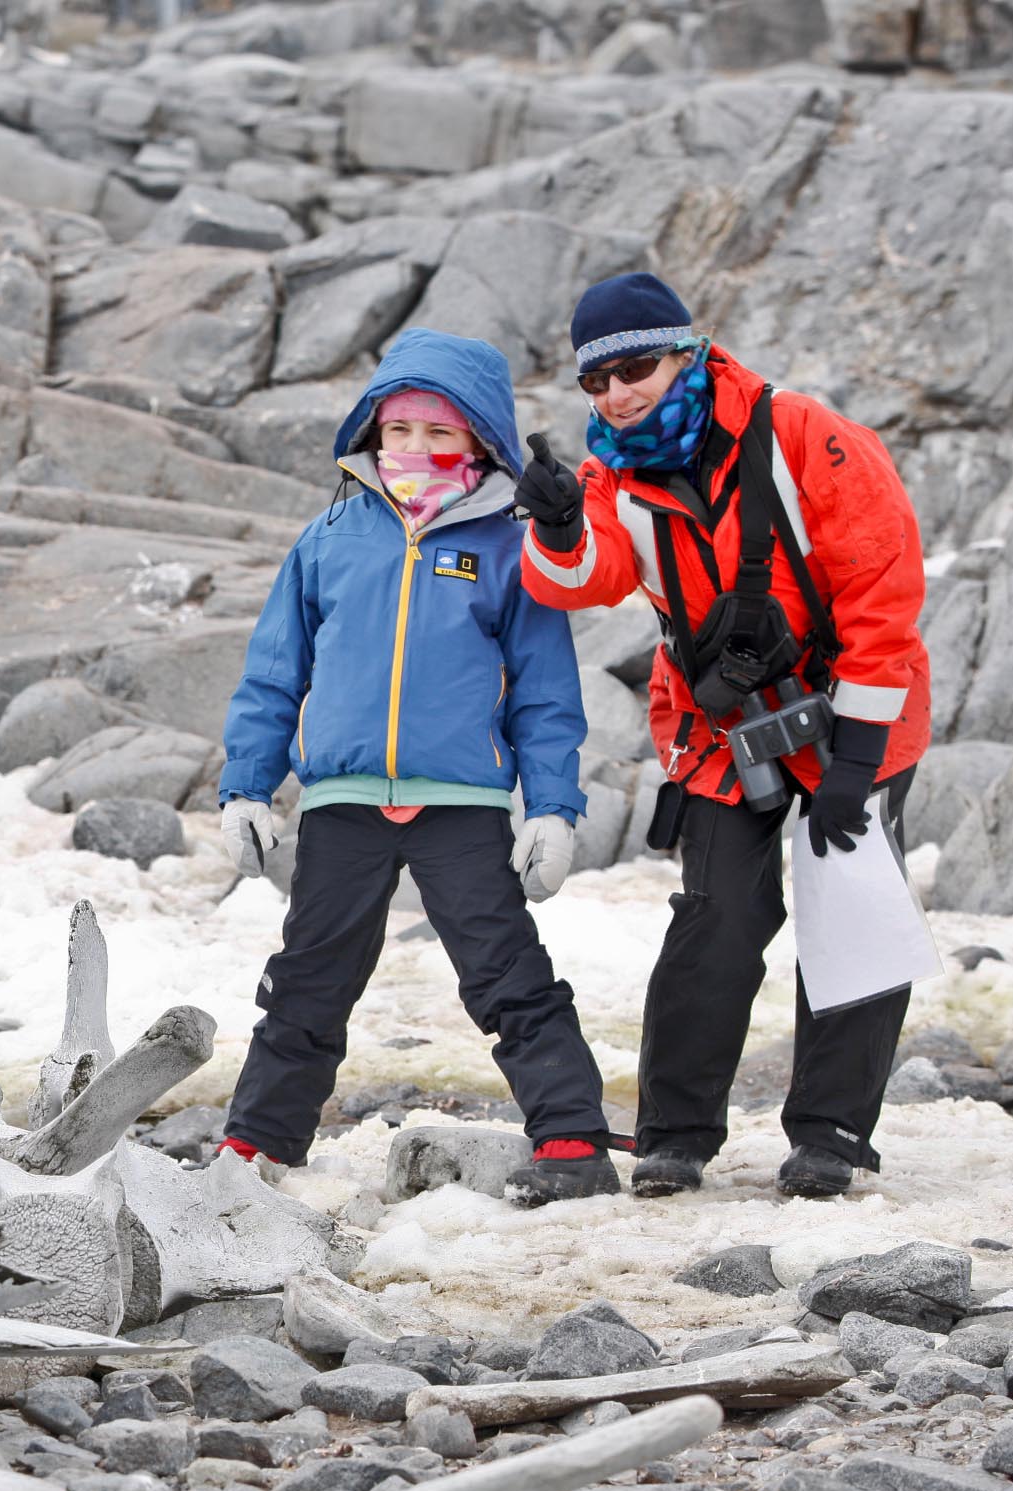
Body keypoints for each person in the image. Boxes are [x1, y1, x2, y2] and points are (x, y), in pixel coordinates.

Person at [510, 272, 931, 1200]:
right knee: (717, 920)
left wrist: (858, 761)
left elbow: (884, 592)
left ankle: (830, 1136)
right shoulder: (610, 476)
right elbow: (579, 580)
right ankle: (675, 1136)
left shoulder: (807, 436)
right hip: (720, 727)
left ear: (686, 353)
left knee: (851, 910)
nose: (618, 394)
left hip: (853, 709)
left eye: (635, 368)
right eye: (597, 381)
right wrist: (557, 524)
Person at [214, 327, 620, 1207]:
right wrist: (247, 786)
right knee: (308, 977)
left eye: (440, 432)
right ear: (374, 431)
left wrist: (551, 808)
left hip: (462, 799)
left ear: (479, 438)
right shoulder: (329, 537)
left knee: (507, 973)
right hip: (342, 799)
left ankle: (573, 1139)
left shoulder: (511, 545)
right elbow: (275, 672)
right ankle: (256, 1146)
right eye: (400, 429)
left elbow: (546, 693)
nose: (416, 447)